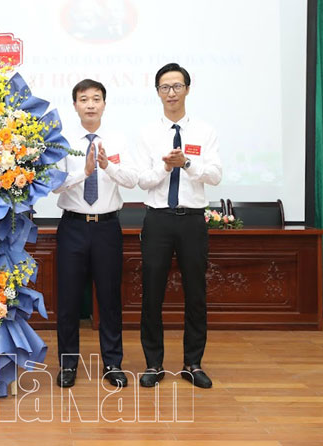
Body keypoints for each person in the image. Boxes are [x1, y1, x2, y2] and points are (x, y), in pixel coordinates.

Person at [135, 63, 222, 390]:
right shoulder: (147, 133)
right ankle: (153, 364)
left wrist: (186, 163)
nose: (171, 92)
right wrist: (165, 167)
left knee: (196, 293)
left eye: (176, 86)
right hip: (158, 219)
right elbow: (143, 180)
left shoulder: (204, 131)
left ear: (187, 88)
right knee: (152, 294)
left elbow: (215, 175)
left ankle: (192, 363)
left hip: (192, 220)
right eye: (164, 87)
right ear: (158, 92)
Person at [53, 79, 138, 389]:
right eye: (84, 99)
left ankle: (113, 363)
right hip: (73, 226)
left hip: (107, 227)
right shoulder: (61, 140)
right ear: (75, 105)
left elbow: (132, 179)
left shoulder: (118, 139)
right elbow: (55, 184)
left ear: (104, 103)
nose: (90, 104)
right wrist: (85, 172)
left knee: (110, 298)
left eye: (96, 98)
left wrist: (108, 167)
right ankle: (67, 364)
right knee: (68, 300)